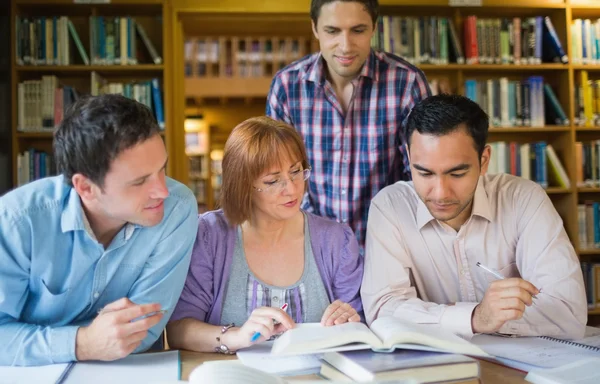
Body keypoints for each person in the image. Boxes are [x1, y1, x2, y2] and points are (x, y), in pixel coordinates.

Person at [360, 94, 587, 340]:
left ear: (484, 160)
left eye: (457, 173)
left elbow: (567, 312)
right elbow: (383, 311)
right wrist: (477, 318)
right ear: (409, 158)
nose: (440, 193)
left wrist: (439, 319)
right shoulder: (390, 207)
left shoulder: (524, 199)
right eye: (424, 173)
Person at [0, 94, 198, 366]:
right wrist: (83, 342)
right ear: (85, 188)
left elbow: (142, 330)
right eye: (140, 181)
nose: (163, 191)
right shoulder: (16, 221)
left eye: (162, 169)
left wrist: (39, 341)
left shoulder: (177, 210)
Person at [166, 116, 363, 354]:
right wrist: (238, 336)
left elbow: (358, 324)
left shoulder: (336, 241)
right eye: (272, 181)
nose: (291, 189)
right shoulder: (210, 236)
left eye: (296, 172)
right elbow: (178, 331)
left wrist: (350, 320)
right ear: (242, 184)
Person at [266, 0, 431, 252]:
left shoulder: (407, 83)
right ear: (315, 28)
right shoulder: (286, 87)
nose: (345, 46)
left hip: (390, 249)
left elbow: (421, 177)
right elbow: (278, 179)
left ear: (374, 28)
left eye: (358, 30)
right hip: (308, 250)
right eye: (332, 31)